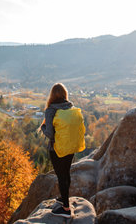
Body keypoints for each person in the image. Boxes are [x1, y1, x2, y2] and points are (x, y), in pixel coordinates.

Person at [40, 83, 85, 218]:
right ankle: (63, 198)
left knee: (61, 176)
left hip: (57, 149)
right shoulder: (70, 107)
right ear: (65, 94)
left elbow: (50, 134)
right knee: (66, 173)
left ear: (52, 95)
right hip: (70, 146)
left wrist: (42, 127)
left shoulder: (51, 110)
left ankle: (65, 208)